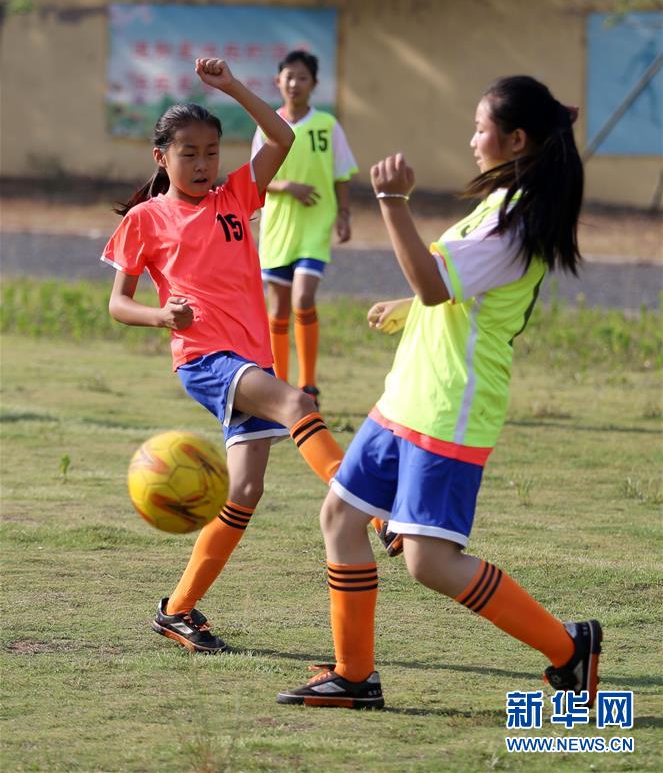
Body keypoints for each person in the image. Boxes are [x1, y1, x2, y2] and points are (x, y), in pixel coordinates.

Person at [277, 75, 603, 710]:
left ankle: (569, 648)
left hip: (451, 406)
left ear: (515, 139)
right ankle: (354, 676)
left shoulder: (513, 221)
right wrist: (413, 306)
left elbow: (435, 283)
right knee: (340, 516)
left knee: (428, 563)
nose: (473, 139)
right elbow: (447, 291)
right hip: (408, 394)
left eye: (481, 128)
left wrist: (391, 202)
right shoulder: (500, 203)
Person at [102, 58, 352, 654]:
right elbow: (118, 303)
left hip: (250, 359)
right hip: (204, 358)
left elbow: (284, 137)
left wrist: (233, 87)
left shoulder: (237, 194)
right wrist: (161, 316)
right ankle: (375, 513)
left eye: (211, 151)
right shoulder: (145, 219)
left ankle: (178, 609)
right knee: (297, 401)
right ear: (161, 156)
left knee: (243, 492)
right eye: (188, 153)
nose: (203, 163)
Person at [252, 50, 359, 406]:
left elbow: (342, 171)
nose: (294, 83)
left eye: (302, 78)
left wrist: (344, 213)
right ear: (278, 81)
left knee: (303, 298)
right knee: (278, 308)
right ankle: (279, 383)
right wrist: (288, 187)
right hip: (278, 229)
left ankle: (309, 384)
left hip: (315, 225)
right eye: (288, 76)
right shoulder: (267, 125)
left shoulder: (327, 126)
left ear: (313, 84)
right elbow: (256, 179)